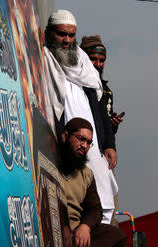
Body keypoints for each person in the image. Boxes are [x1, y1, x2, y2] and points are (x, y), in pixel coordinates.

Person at [44, 9, 118, 224]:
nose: (67, 41)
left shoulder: (84, 63)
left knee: (103, 204)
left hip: (94, 147)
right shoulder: (44, 60)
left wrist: (109, 144)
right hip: (65, 148)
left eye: (71, 35)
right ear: (49, 33)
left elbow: (100, 108)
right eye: (61, 34)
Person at [58, 118, 126, 247]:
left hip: (75, 234)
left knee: (117, 237)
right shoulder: (50, 159)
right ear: (65, 136)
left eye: (88, 142)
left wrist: (85, 227)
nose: (84, 146)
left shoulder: (86, 174)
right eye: (81, 139)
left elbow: (95, 209)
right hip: (54, 227)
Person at [81, 35, 124, 134]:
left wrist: (112, 124)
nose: (98, 64)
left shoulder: (106, 92)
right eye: (93, 59)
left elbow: (108, 133)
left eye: (102, 60)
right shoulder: (73, 84)